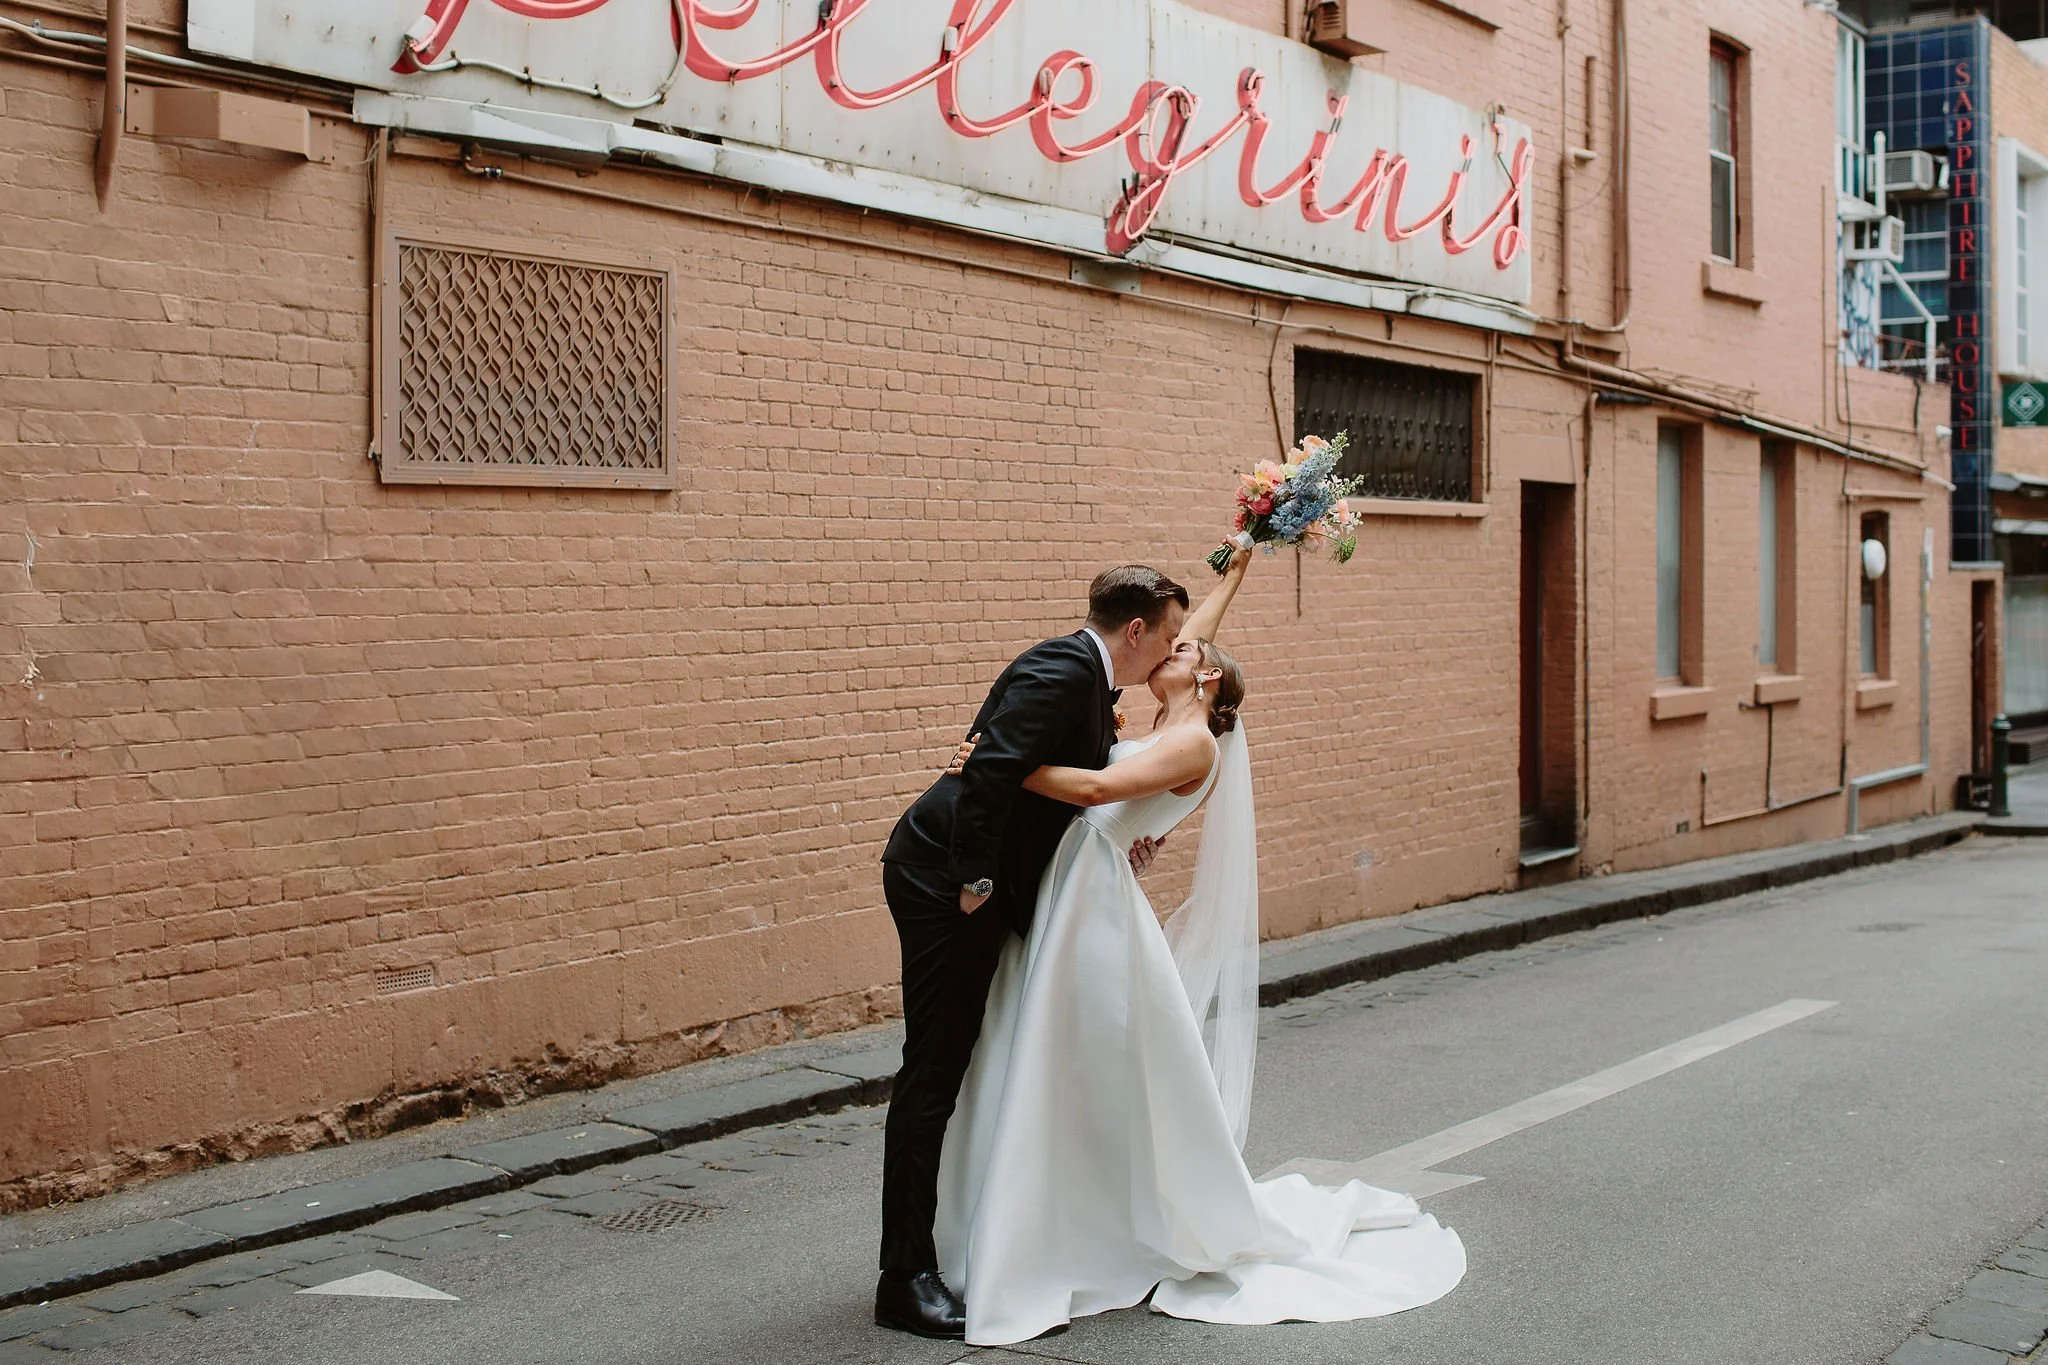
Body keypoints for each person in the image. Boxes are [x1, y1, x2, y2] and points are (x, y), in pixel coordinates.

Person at [932, 546, 1466, 1347]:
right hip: (1074, 891)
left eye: (1185, 652)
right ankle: (1056, 1210)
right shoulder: (1173, 718)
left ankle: (1069, 1224)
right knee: (1058, 1065)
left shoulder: (1193, 745)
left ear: (1205, 679)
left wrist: (996, 761)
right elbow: (1192, 635)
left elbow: (1094, 789)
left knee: (1069, 1064)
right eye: (1172, 640)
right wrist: (1239, 568)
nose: (1172, 649)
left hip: (1093, 907)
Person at [874, 564, 1192, 1339]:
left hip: (979, 886)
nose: (1173, 654)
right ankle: (903, 1277)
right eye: (1170, 638)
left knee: (959, 1064)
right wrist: (978, 878)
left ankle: (952, 1242)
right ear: (1138, 631)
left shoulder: (1092, 679)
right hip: (946, 880)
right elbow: (989, 768)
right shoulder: (1062, 666)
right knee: (935, 1067)